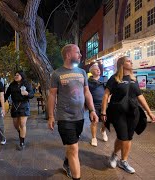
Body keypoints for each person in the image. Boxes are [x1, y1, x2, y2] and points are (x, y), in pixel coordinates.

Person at [48, 44, 98, 180]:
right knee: (74, 149)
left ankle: (67, 162)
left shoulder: (82, 72)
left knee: (72, 145)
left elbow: (87, 93)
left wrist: (92, 110)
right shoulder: (57, 74)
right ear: (68, 55)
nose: (80, 55)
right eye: (78, 53)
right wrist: (51, 116)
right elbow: (52, 95)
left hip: (80, 117)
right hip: (64, 117)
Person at [101, 56, 155, 174]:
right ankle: (116, 156)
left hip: (133, 112)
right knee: (122, 136)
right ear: (121, 64)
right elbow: (106, 95)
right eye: (128, 61)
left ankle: (123, 161)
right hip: (118, 112)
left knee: (128, 137)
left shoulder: (133, 79)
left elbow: (140, 96)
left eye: (131, 61)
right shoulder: (114, 78)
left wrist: (149, 112)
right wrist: (103, 111)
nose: (131, 62)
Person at [5, 70, 34, 151]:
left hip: (24, 105)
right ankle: (20, 133)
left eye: (17, 75)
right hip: (14, 106)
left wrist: (27, 94)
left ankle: (22, 142)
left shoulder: (27, 84)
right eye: (15, 75)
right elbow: (6, 95)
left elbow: (32, 94)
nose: (16, 76)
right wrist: (1, 99)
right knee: (15, 124)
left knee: (22, 123)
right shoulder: (12, 85)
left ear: (22, 76)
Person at [88, 64, 108, 147]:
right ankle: (94, 138)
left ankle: (103, 131)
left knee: (105, 120)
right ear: (92, 72)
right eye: (96, 69)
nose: (98, 70)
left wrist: (108, 99)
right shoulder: (89, 81)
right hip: (93, 105)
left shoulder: (104, 79)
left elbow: (108, 91)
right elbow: (86, 93)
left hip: (104, 104)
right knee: (94, 121)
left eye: (98, 69)